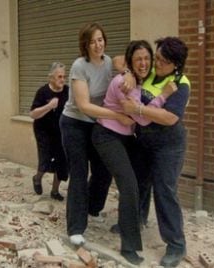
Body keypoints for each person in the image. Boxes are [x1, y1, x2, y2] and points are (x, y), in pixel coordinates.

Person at [91, 40, 177, 265]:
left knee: (127, 181)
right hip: (107, 135)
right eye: (138, 59)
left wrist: (130, 70)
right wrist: (165, 95)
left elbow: (120, 61)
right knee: (128, 185)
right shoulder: (124, 83)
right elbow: (143, 117)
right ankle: (129, 247)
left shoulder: (140, 80)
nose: (144, 63)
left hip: (126, 137)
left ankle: (107, 214)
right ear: (131, 61)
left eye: (147, 58)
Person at [59, 22, 135, 246]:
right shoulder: (79, 66)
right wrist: (118, 117)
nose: (97, 45)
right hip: (74, 123)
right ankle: (76, 227)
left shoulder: (108, 61)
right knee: (79, 173)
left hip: (96, 124)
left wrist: (128, 72)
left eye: (100, 39)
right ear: (85, 44)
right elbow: (84, 105)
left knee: (103, 170)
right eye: (92, 41)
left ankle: (92, 208)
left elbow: (123, 59)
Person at [120, 37, 190, 267]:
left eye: (162, 60)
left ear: (175, 64)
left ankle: (176, 245)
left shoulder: (180, 83)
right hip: (144, 141)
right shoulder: (150, 73)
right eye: (156, 57)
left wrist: (138, 109)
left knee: (164, 190)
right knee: (139, 183)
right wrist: (129, 73)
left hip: (169, 145)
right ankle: (137, 220)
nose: (156, 63)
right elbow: (119, 60)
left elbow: (170, 118)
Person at [29, 62, 69, 201]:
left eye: (64, 76)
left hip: (60, 131)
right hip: (43, 131)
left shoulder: (67, 91)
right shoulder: (43, 92)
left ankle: (54, 191)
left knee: (61, 161)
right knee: (45, 159)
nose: (62, 80)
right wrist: (49, 106)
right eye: (59, 77)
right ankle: (37, 178)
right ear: (50, 78)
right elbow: (33, 114)